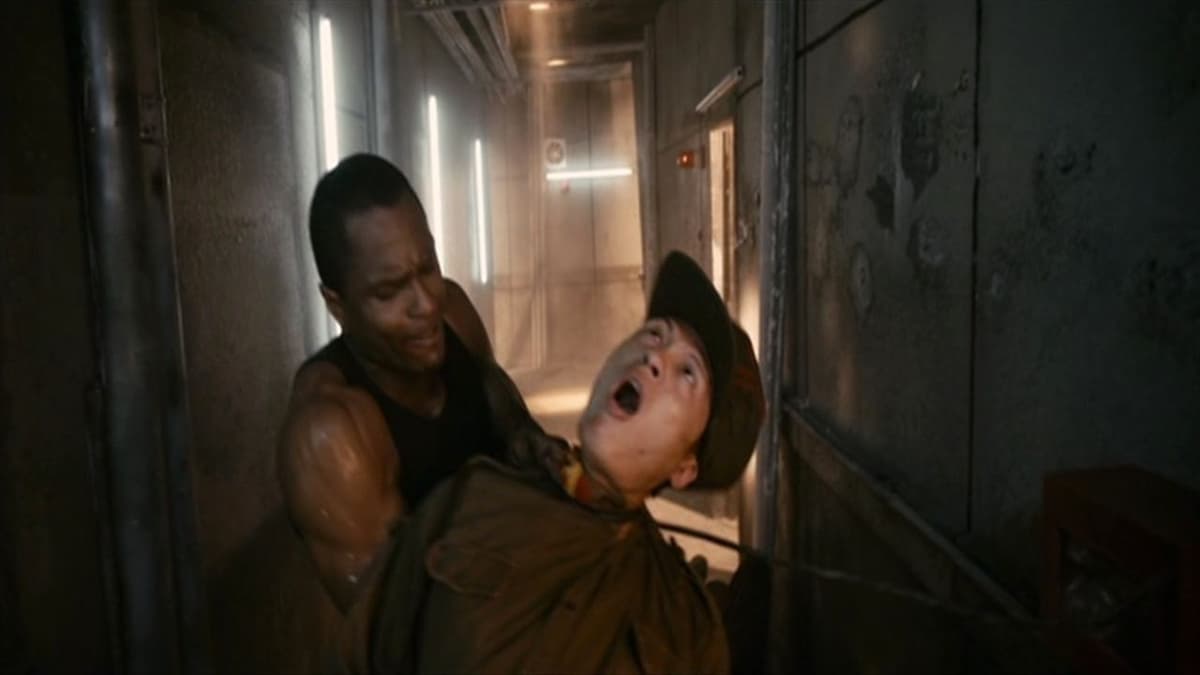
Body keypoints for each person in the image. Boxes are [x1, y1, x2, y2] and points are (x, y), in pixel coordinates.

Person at [344, 251, 765, 675]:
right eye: (655, 333)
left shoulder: (683, 626)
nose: (654, 357)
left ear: (685, 468)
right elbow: (364, 650)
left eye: (688, 372)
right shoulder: (475, 496)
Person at [278, 154, 541, 611]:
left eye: (428, 267)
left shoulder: (453, 314)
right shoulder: (329, 436)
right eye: (390, 290)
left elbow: (504, 413)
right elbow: (394, 626)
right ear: (337, 306)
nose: (426, 304)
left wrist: (533, 444)